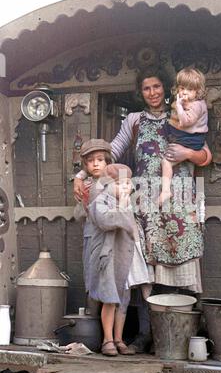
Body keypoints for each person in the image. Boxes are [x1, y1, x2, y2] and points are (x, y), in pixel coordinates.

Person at [74, 66, 212, 352]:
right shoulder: (135, 120)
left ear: (167, 88)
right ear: (141, 92)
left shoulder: (182, 113)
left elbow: (205, 154)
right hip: (144, 202)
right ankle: (146, 334)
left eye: (157, 86)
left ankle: (180, 336)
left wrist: (187, 153)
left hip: (179, 200)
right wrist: (81, 175)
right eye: (147, 88)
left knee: (178, 265)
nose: (153, 93)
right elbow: (109, 152)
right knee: (144, 271)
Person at [87, 163, 151, 356]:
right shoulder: (100, 202)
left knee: (123, 299)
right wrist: (123, 206)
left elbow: (134, 228)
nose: (126, 188)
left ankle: (118, 338)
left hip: (125, 257)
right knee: (109, 298)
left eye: (128, 184)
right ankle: (107, 340)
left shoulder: (127, 203)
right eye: (120, 184)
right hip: (108, 257)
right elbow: (107, 222)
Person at [74, 138, 112, 315]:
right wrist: (84, 202)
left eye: (100, 160)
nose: (95, 164)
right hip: (92, 235)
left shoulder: (114, 183)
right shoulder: (86, 185)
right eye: (90, 161)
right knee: (92, 276)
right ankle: (92, 325)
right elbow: (79, 216)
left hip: (111, 238)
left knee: (110, 280)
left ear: (107, 162)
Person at [159, 68, 208, 206]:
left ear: (197, 92)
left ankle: (166, 191)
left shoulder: (197, 105)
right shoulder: (187, 102)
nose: (184, 92)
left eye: (190, 89)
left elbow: (186, 122)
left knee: (166, 162)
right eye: (182, 88)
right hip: (185, 136)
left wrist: (180, 106)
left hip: (191, 139)